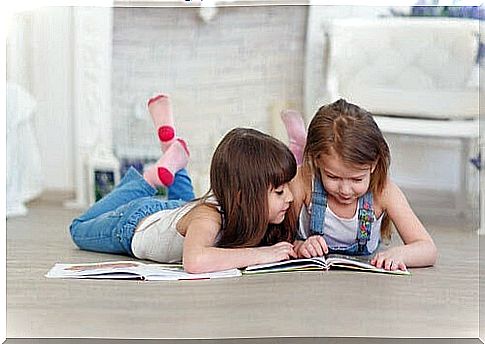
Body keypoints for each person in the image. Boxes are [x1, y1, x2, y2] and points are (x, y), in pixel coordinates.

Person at [69, 95, 297, 274]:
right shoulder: (208, 218)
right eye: (279, 191)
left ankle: (172, 149)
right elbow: (194, 262)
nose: (290, 197)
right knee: (78, 228)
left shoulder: (241, 212)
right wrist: (262, 254)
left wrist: (305, 245)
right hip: (134, 223)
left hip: (179, 212)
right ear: (241, 196)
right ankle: (149, 179)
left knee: (188, 206)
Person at [280, 99, 437, 271]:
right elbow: (277, 240)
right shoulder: (303, 181)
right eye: (333, 177)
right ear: (317, 162)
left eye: (357, 179)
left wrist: (400, 254)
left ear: (373, 164)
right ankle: (298, 148)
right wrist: (298, 245)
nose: (345, 190)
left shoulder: (383, 191)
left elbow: (427, 248)